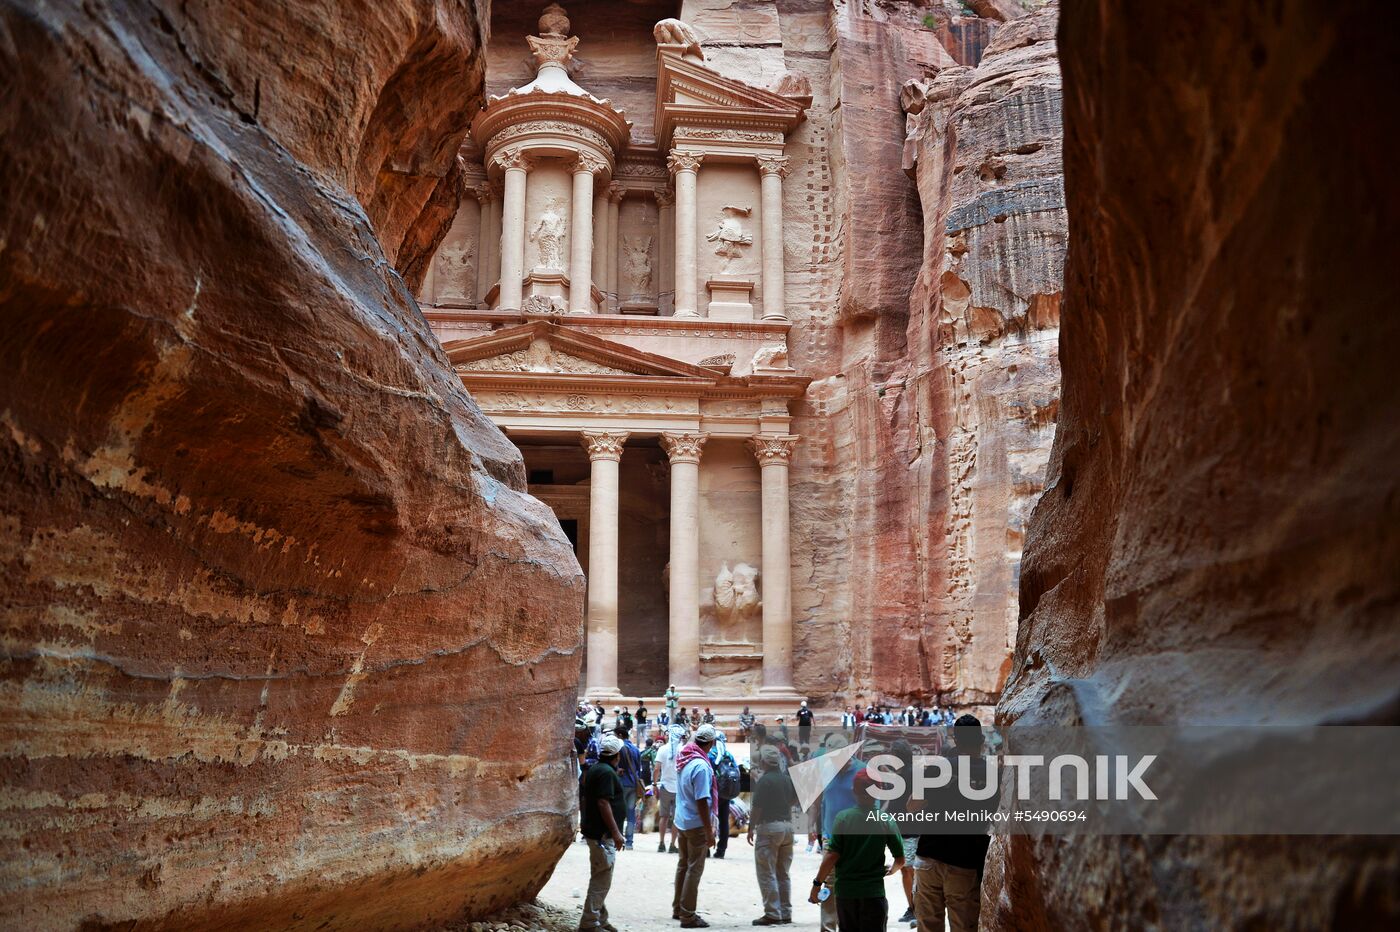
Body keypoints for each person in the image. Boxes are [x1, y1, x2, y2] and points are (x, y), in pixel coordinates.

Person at [913, 714, 990, 932]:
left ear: (955, 740)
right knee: (964, 927)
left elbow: (912, 806)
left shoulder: (939, 769)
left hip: (929, 856)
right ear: (981, 740)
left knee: (928, 926)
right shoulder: (993, 774)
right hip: (965, 862)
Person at [809, 767, 905, 932]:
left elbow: (832, 855)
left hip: (846, 894)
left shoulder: (843, 818)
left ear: (854, 791)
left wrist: (817, 884)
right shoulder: (885, 821)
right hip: (874, 894)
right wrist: (891, 870)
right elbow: (900, 860)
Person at [673, 723, 719, 928]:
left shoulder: (685, 757)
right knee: (694, 868)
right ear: (711, 742)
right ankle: (688, 915)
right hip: (696, 824)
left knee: (683, 864)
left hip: (682, 820)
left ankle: (678, 908)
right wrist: (709, 831)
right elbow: (702, 800)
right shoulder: (700, 766)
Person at [580, 733, 627, 932]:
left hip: (595, 832)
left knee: (600, 876)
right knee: (602, 878)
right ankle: (589, 923)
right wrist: (616, 833)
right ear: (616, 754)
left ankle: (600, 918)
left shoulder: (596, 769)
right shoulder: (606, 773)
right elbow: (603, 802)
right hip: (602, 835)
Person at [747, 745, 797, 925]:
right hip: (787, 827)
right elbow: (795, 799)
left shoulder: (764, 781)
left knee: (767, 872)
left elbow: (757, 808)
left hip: (769, 828)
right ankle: (785, 912)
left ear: (764, 761)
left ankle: (772, 913)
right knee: (783, 873)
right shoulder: (786, 779)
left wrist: (750, 827)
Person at [814, 735, 859, 932]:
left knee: (852, 884)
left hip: (855, 839)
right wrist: (814, 828)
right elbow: (820, 802)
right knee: (829, 884)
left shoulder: (862, 771)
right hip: (830, 837)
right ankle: (828, 927)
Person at [654, 724, 684, 853]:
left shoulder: (662, 749)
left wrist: (655, 784)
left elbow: (656, 769)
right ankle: (672, 844)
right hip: (679, 788)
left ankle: (661, 843)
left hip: (665, 786)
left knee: (664, 816)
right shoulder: (683, 750)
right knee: (676, 818)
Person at [710, 730, 739, 859]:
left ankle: (706, 848)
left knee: (708, 819)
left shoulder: (710, 755)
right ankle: (721, 850)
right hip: (726, 793)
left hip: (712, 793)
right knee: (724, 821)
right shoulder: (729, 755)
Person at [614, 725, 642, 850]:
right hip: (633, 784)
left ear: (620, 735)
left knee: (619, 812)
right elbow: (639, 768)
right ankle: (630, 841)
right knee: (631, 813)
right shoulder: (636, 749)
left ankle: (618, 838)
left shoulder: (619, 748)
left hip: (621, 783)